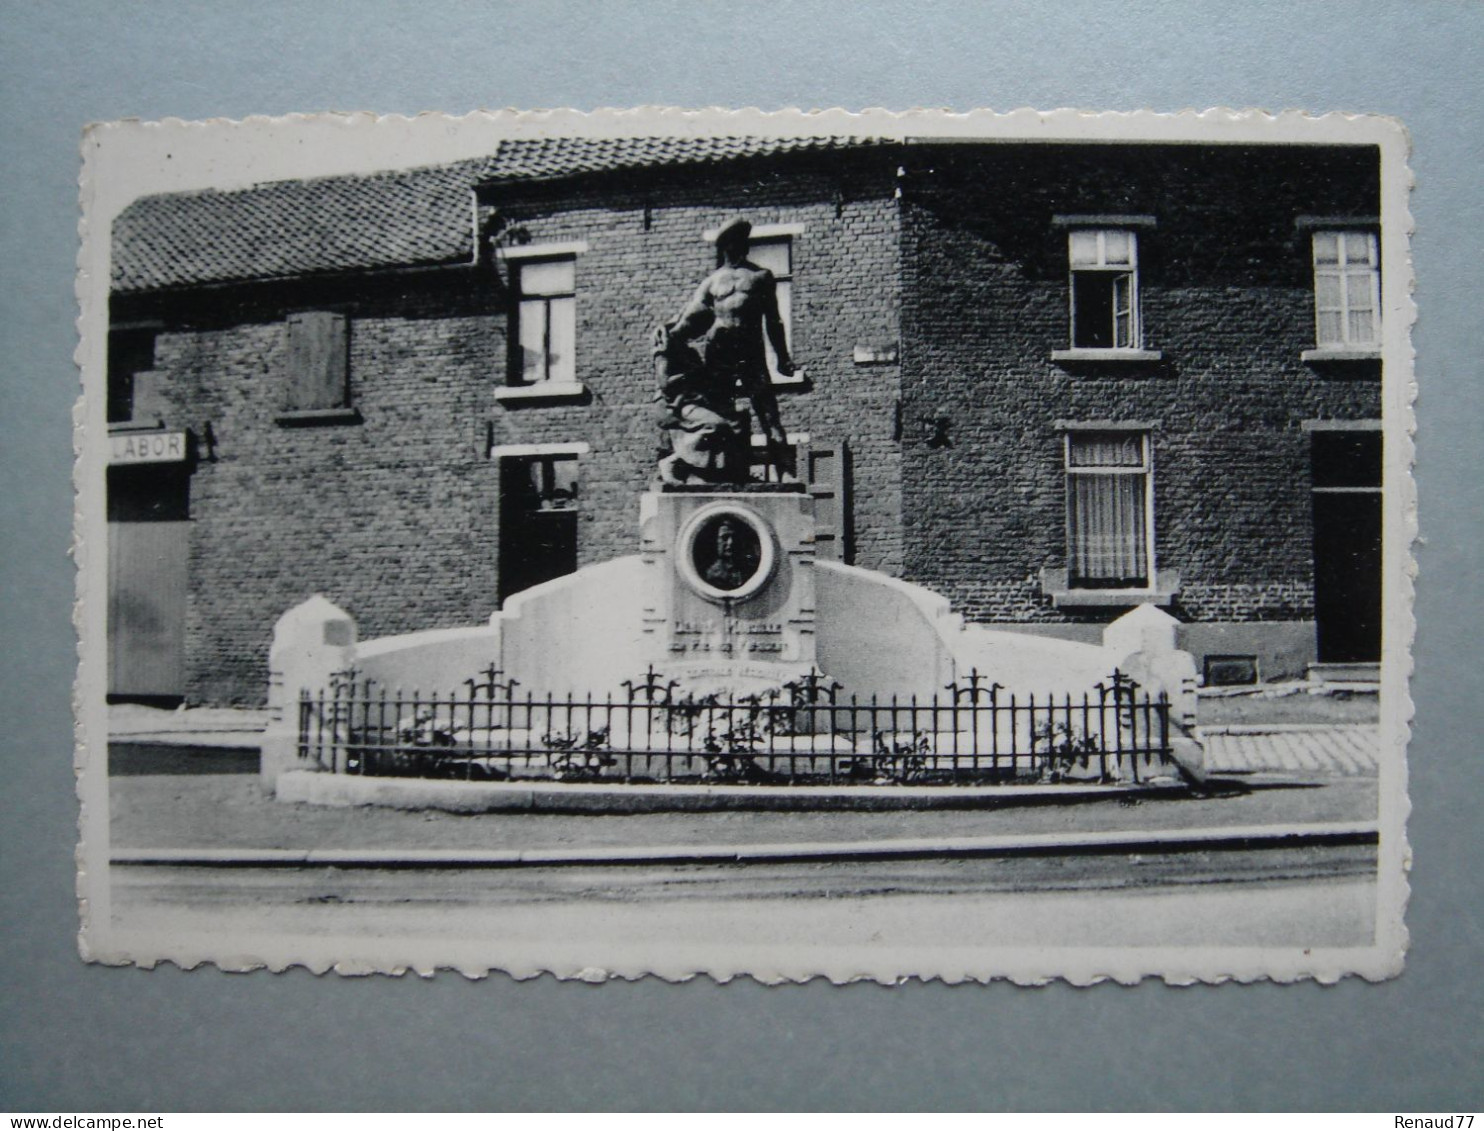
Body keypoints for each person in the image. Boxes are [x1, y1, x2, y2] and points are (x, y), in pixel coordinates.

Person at [663, 217, 797, 481]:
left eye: (743, 240)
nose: (740, 246)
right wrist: (671, 333)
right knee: (717, 417)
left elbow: (773, 319)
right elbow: (692, 319)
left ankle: (786, 471)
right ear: (725, 246)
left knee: (768, 413)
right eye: (735, 241)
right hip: (719, 354)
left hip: (751, 354)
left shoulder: (761, 277)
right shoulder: (711, 283)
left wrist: (783, 358)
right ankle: (717, 472)